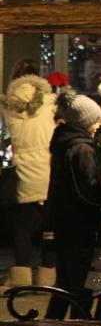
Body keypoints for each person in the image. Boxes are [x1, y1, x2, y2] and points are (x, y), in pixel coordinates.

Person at [40, 90, 101, 326]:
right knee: (81, 288)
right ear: (84, 121)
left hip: (65, 224)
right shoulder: (82, 149)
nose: (97, 124)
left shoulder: (63, 144)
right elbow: (87, 191)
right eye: (95, 120)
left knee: (64, 286)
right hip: (80, 226)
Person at [3, 65, 55, 288]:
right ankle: (48, 277)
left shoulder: (7, 105)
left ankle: (21, 278)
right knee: (50, 230)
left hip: (22, 171)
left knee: (22, 230)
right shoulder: (51, 102)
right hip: (48, 170)